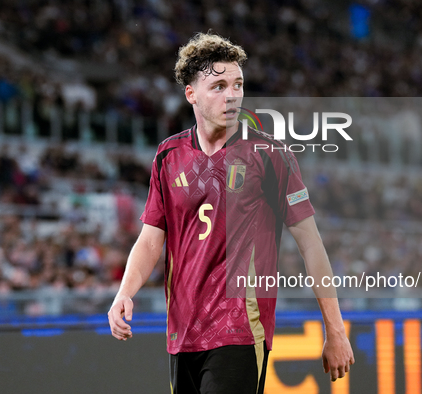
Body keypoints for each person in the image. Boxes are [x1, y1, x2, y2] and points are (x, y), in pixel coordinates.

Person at [108, 32, 354, 394]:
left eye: (237, 84)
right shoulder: (168, 155)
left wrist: (335, 330)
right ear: (191, 94)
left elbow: (311, 245)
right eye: (219, 85)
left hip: (239, 329)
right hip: (182, 334)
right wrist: (124, 292)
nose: (233, 94)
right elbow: (150, 239)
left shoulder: (270, 156)